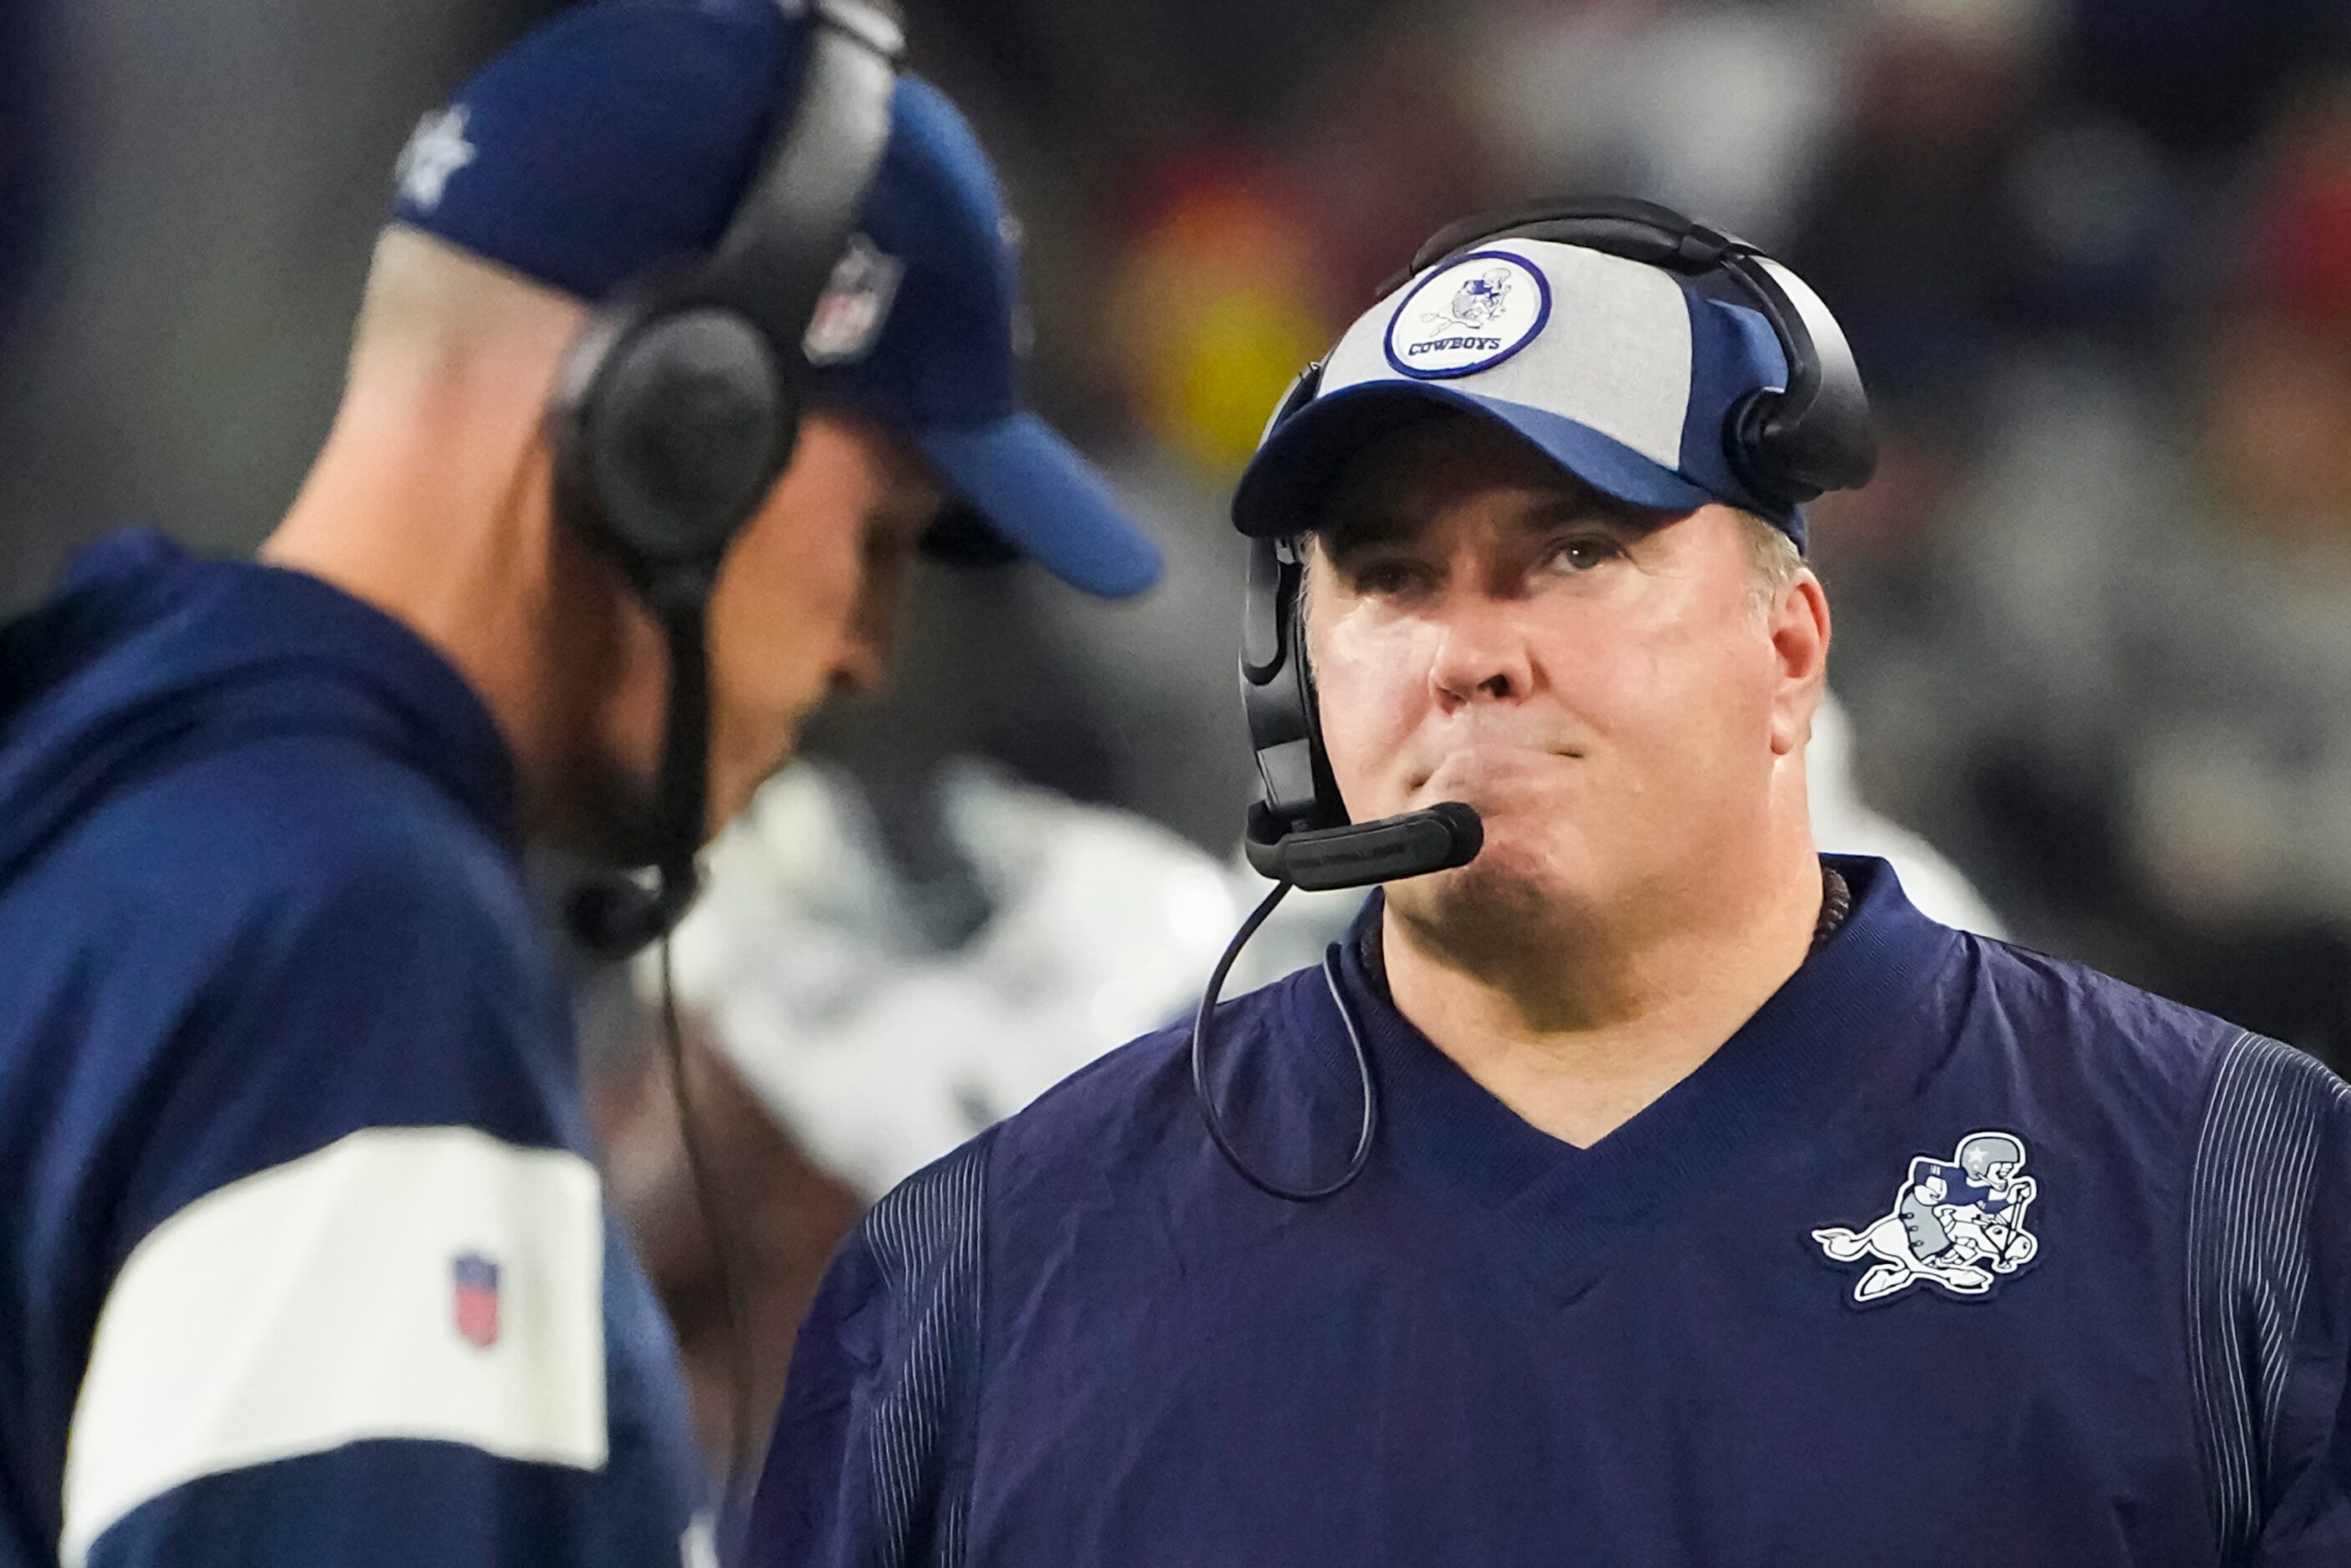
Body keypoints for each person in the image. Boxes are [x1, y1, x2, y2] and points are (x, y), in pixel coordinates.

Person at [750, 203, 2351, 1565]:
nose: (1469, 654)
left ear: (1787, 652)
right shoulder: (979, 1278)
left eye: (1575, 551)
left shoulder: (2241, 1199)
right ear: (1295, 679)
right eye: (1388, 574)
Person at [0, 0, 1159, 1564]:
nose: (871, 652)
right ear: (684, 429)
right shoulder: (353, 941)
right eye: (879, 536)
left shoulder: (118, 815)